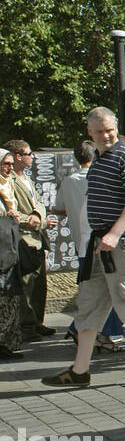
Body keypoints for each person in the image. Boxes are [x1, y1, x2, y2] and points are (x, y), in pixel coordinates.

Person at [41, 108, 125, 388]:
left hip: (121, 243)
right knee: (89, 306)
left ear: (115, 128)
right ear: (89, 133)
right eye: (99, 131)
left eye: (110, 130)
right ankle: (80, 370)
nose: (106, 136)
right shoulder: (100, 159)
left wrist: (115, 233)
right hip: (99, 243)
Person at [51, 140, 125, 350]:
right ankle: (102, 333)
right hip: (103, 241)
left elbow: (59, 208)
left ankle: (83, 330)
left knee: (91, 291)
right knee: (108, 289)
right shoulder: (100, 178)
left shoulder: (68, 181)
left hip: (81, 243)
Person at [3, 139, 57, 339]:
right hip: (24, 238)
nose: (32, 157)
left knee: (39, 283)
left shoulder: (27, 178)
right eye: (29, 153)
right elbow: (13, 212)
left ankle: (37, 321)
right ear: (18, 155)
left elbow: (40, 202)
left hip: (37, 238)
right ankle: (26, 325)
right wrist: (36, 221)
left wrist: (38, 214)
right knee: (26, 283)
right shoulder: (9, 182)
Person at [0, 150, 24, 355]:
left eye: (10, 164)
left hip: (10, 249)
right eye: (4, 164)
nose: (8, 168)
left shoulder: (8, 186)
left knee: (11, 296)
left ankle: (9, 343)